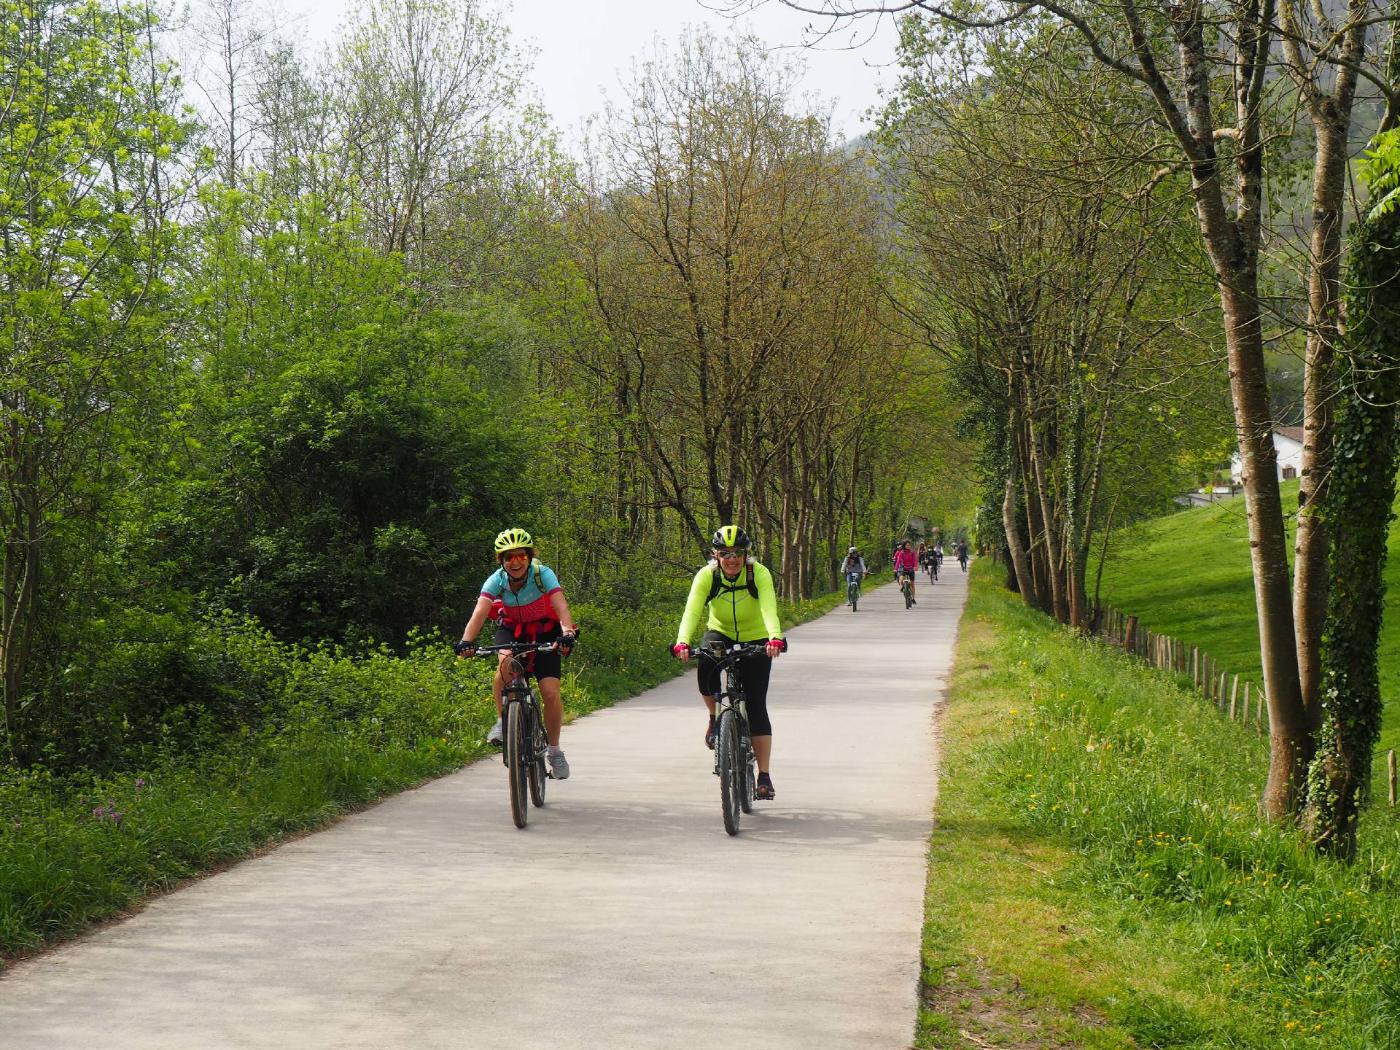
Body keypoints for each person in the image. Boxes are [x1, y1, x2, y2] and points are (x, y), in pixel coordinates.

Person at [672, 525, 787, 801]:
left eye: (737, 553)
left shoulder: (758, 574)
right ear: (716, 555)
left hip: (756, 636)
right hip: (720, 632)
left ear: (746, 554)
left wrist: (774, 638)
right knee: (705, 664)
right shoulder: (707, 576)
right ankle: (713, 719)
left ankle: (764, 776)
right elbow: (692, 609)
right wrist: (683, 641)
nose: (731, 559)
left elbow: (768, 607)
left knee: (756, 704)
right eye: (725, 553)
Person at [457, 527, 578, 780]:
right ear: (501, 560)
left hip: (546, 631)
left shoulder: (543, 575)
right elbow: (479, 612)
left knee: (549, 691)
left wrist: (567, 632)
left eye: (521, 556)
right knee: (503, 668)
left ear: (530, 557)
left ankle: (554, 751)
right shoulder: (496, 579)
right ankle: (504, 722)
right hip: (512, 630)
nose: (515, 562)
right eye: (508, 557)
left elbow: (561, 606)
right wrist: (466, 641)